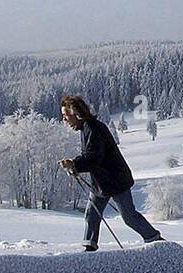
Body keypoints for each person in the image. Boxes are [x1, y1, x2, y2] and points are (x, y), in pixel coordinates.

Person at [59, 95, 163, 251]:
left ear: (76, 114)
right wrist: (75, 165)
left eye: (65, 116)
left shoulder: (93, 129)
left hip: (115, 180)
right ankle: (89, 246)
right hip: (102, 182)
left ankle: (157, 241)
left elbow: (94, 157)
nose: (64, 120)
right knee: (92, 214)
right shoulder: (87, 128)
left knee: (129, 217)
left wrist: (74, 164)